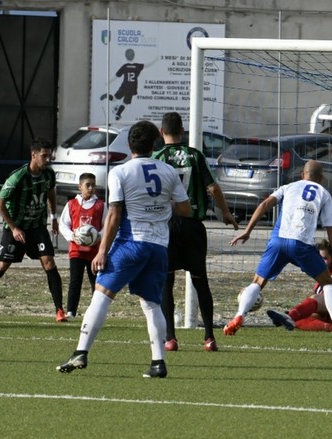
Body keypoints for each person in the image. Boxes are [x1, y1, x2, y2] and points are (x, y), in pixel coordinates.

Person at [56, 120, 191, 378]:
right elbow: (185, 209)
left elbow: (115, 214)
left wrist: (102, 250)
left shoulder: (121, 172)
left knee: (102, 293)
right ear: (155, 144)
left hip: (131, 243)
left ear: (130, 144)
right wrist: (162, 207)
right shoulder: (168, 171)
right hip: (158, 247)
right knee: (152, 303)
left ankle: (81, 352)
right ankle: (158, 363)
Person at [223, 160, 332, 340]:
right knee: (328, 284)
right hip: (302, 244)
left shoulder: (288, 187)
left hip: (279, 241)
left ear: (302, 175)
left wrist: (247, 231)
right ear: (321, 178)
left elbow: (264, 205)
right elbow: (331, 228)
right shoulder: (324, 193)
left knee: (257, 282)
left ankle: (239, 315)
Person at [152, 111, 239, 352]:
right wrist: (226, 213)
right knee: (201, 281)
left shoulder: (157, 157)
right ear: (182, 132)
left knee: (166, 282)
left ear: (162, 132)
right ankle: (209, 337)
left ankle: (170, 338)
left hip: (167, 225)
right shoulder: (195, 155)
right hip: (193, 225)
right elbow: (212, 188)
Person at [0, 137, 67, 322]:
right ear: (34, 155)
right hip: (16, 230)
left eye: (49, 157)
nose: (48, 160)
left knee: (49, 263)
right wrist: (14, 228)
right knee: (1, 266)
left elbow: (51, 193)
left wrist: (54, 217)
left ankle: (59, 311)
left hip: (37, 227)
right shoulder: (18, 177)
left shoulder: (49, 174)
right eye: (44, 156)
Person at [58, 172, 105, 319]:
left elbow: (108, 225)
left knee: (96, 282)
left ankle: (96, 312)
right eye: (87, 185)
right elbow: (63, 224)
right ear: (80, 187)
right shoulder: (72, 204)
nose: (91, 188)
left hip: (94, 252)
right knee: (75, 281)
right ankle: (71, 311)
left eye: (93, 185)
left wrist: (99, 236)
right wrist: (72, 236)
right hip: (76, 250)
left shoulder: (101, 205)